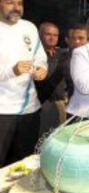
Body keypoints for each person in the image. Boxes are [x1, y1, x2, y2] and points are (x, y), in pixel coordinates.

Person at [0, 0, 48, 166]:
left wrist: (42, 68)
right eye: (10, 2)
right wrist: (11, 71)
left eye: (20, 3)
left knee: (23, 166)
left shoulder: (29, 27)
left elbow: (40, 57)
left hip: (29, 110)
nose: (16, 7)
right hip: (2, 111)